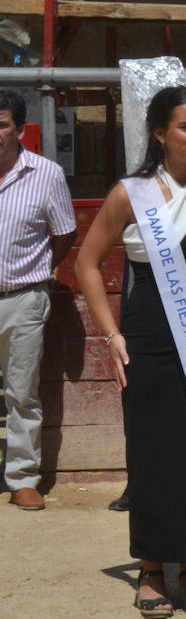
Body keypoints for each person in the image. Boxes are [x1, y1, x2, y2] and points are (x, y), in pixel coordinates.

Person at [76, 84, 186, 619]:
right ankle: (150, 566)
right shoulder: (131, 193)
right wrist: (111, 333)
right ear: (159, 133)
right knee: (149, 451)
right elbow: (86, 264)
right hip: (146, 337)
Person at [0, 88, 75, 511]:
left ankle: (23, 478)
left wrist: (41, 270)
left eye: (1, 123)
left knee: (22, 393)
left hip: (22, 297)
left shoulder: (45, 173)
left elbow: (65, 232)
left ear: (19, 129)